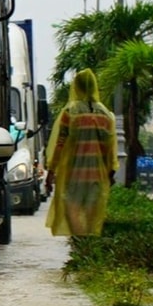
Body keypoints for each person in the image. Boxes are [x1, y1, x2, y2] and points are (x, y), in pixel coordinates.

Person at [43, 68, 117, 237]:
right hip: (97, 177)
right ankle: (88, 247)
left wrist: (51, 171)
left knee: (72, 212)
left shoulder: (70, 112)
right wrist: (110, 173)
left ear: (77, 87)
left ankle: (80, 243)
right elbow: (110, 149)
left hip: (73, 175)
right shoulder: (106, 115)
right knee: (92, 218)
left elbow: (60, 145)